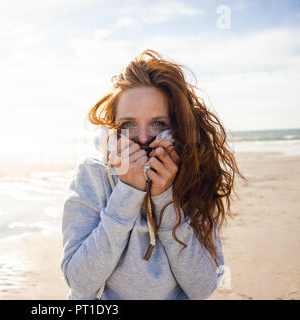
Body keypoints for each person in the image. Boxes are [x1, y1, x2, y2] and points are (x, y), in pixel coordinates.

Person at [60, 49, 246, 300]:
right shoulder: (92, 173)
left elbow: (202, 288)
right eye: (128, 124)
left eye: (158, 123)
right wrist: (127, 192)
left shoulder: (195, 172)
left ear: (177, 127)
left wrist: (165, 200)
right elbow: (80, 282)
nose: (144, 137)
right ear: (113, 125)